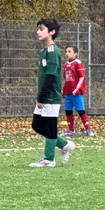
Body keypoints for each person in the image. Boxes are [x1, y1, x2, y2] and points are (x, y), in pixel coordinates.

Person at [29, 19, 74, 168]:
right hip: (44, 96)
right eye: (38, 29)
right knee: (37, 125)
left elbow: (50, 76)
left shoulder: (53, 52)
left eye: (41, 29)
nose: (38, 32)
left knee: (49, 126)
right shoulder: (44, 52)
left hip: (51, 96)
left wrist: (42, 96)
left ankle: (49, 159)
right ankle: (64, 144)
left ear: (52, 32)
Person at [63, 46, 94, 137]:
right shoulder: (66, 64)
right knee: (68, 111)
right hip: (68, 93)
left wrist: (76, 89)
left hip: (76, 93)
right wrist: (64, 90)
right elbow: (66, 78)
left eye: (69, 51)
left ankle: (88, 129)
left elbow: (81, 77)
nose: (67, 53)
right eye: (66, 51)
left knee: (81, 110)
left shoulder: (78, 63)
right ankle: (71, 130)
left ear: (75, 53)